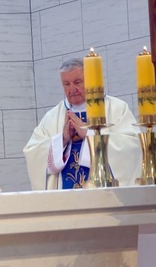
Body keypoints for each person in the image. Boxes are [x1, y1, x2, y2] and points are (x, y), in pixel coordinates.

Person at [23, 58, 141, 190]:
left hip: (104, 194)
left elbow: (132, 146)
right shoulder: (52, 117)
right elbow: (32, 152)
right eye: (66, 84)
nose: (72, 89)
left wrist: (89, 135)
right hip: (65, 198)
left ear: (89, 80)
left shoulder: (116, 108)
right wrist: (62, 140)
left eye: (77, 82)